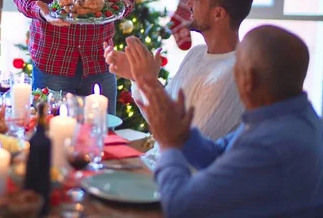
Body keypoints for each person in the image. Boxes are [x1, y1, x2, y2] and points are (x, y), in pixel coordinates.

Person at [123, 27, 323, 217]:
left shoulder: (271, 143)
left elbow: (180, 207)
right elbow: (219, 153)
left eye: (237, 65)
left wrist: (169, 144)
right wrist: (182, 135)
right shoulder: (292, 114)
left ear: (248, 79)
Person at [105, 0, 253, 168]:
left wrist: (147, 81)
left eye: (197, 0)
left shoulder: (232, 73)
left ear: (218, 13)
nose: (189, 5)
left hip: (172, 179)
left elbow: (187, 151)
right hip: (153, 163)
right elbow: (160, 118)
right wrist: (137, 77)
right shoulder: (196, 54)